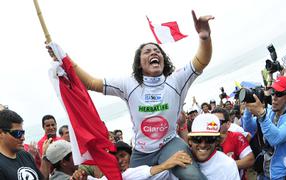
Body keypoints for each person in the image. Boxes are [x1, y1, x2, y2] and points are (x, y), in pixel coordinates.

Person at [47, 10, 214, 180]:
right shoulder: (128, 84)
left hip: (170, 144)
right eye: (147, 52)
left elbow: (202, 61)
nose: (154, 53)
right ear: (139, 64)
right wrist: (64, 59)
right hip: (142, 153)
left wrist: (204, 37)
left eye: (157, 51)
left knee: (193, 177)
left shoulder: (176, 80)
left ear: (163, 60)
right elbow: (90, 83)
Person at [243, 76, 286, 179]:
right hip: (264, 171)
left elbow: (275, 138)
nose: (274, 97)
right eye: (273, 92)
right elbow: (248, 127)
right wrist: (248, 107)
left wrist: (261, 114)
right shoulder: (270, 112)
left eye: (278, 94)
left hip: (279, 174)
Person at [187, 113, 240, 179]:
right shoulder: (180, 160)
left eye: (209, 139)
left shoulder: (228, 165)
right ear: (190, 141)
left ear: (217, 141)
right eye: (198, 139)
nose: (203, 145)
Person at [0, 109, 49, 179]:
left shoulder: (25, 155)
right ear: (1, 133)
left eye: (22, 133)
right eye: (17, 133)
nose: (23, 138)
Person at [212, 107, 255, 179]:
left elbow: (250, 160)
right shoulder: (203, 140)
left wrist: (225, 166)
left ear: (228, 124)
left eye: (219, 122)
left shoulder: (236, 137)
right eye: (212, 122)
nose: (215, 125)